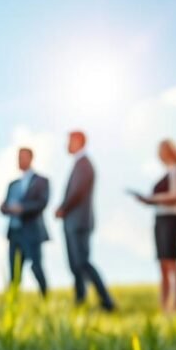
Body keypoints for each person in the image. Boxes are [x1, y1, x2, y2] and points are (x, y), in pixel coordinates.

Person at [54, 131, 115, 311]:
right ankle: (80, 300)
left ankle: (106, 301)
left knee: (82, 262)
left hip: (79, 222)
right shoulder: (79, 164)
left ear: (79, 141)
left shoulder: (84, 164)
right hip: (73, 221)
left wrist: (63, 208)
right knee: (76, 264)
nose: (67, 145)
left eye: (70, 141)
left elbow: (77, 192)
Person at [131, 139, 176, 313]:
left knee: (172, 263)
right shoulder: (168, 171)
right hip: (160, 219)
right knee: (163, 265)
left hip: (172, 219)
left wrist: (151, 199)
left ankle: (175, 308)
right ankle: (165, 309)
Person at [0, 148, 49, 296]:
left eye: (22, 157)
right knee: (14, 271)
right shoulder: (13, 184)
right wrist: (5, 207)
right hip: (14, 232)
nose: (19, 160)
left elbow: (41, 203)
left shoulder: (41, 181)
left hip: (32, 231)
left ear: (30, 158)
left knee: (36, 266)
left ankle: (45, 297)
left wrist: (22, 208)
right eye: (18, 157)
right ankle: (12, 302)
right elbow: (5, 205)